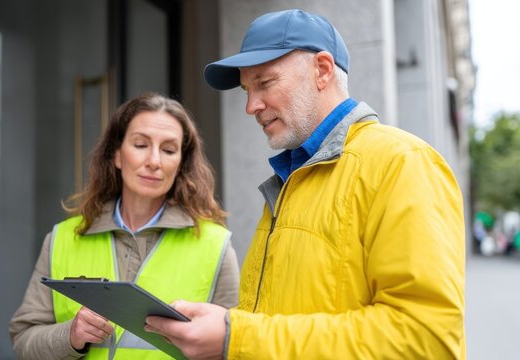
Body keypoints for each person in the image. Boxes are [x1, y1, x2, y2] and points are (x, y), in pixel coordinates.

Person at [144, 9, 466, 359]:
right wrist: (222, 330)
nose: (252, 105)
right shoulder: (291, 179)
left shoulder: (403, 163)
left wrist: (236, 336)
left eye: (265, 83)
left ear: (323, 70)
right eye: (247, 89)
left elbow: (427, 340)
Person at [9, 92, 240, 359]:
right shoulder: (62, 239)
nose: (154, 161)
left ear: (180, 164)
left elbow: (234, 348)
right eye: (141, 145)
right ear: (117, 155)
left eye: (168, 150)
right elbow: (24, 339)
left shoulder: (216, 246)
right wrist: (71, 335)